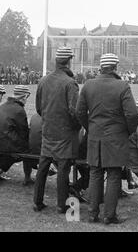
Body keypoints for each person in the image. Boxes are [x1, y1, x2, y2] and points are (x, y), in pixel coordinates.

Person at [76, 53, 138, 225]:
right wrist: (129, 131)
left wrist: (90, 128)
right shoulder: (122, 85)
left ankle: (92, 214)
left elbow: (79, 112)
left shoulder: (88, 85)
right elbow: (132, 114)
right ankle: (109, 216)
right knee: (113, 174)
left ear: (101, 67)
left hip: (95, 135)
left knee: (95, 173)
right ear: (115, 68)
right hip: (116, 137)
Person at [33, 47, 82, 214]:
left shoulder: (43, 80)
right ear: (69, 61)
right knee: (63, 169)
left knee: (43, 166)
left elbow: (39, 108)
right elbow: (75, 111)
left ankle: (37, 201)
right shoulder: (70, 83)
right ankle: (62, 205)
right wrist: (77, 127)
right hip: (65, 133)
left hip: (48, 130)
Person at [0, 85, 35, 184]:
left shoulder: (3, 106)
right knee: (29, 149)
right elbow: (24, 133)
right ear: (24, 97)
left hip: (2, 141)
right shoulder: (19, 110)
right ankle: (27, 177)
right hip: (6, 144)